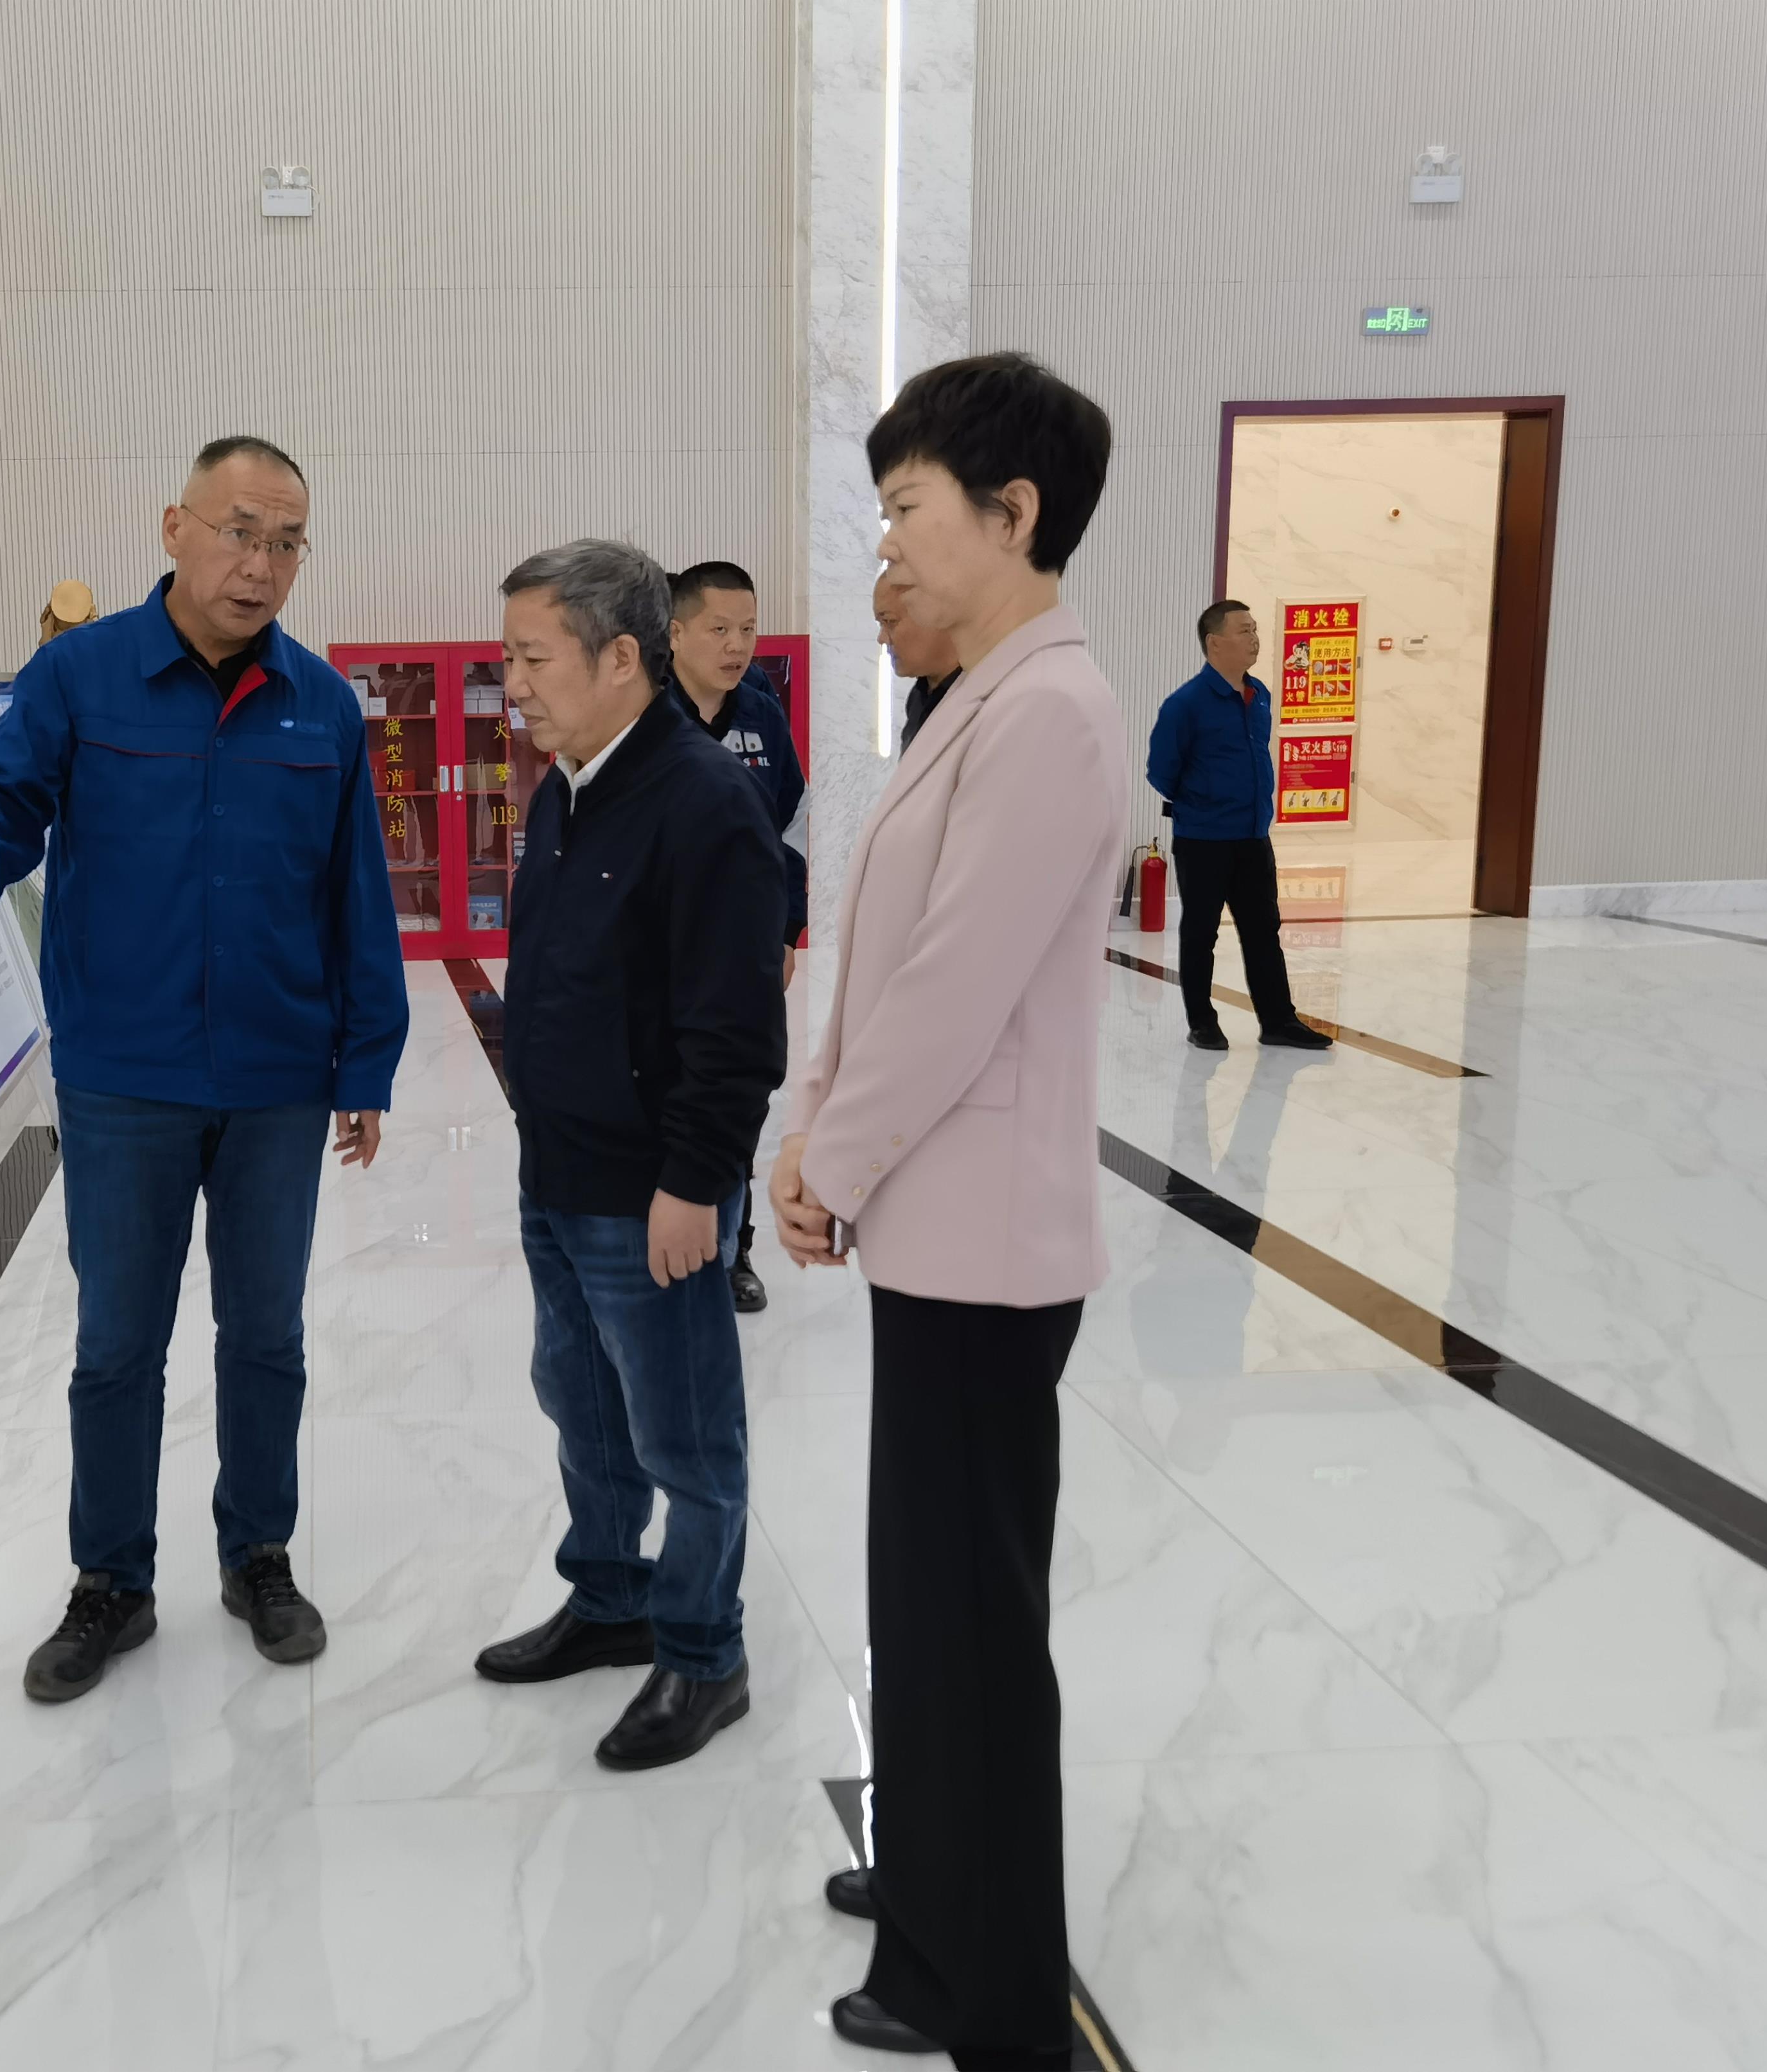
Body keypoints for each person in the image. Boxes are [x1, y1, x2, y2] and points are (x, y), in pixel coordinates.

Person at [0, 435, 409, 1703]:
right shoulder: (80, 675)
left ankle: (258, 1554)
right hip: (125, 1073)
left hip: (278, 1075)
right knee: (117, 1341)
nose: (261, 564)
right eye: (239, 532)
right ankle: (110, 1580)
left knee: (266, 1334)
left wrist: (366, 1060)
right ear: (175, 528)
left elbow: (356, 893)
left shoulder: (320, 705)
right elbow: (1, 797)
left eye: (286, 542)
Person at [769, 352, 1125, 2064]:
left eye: (907, 506)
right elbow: (890, 966)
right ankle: (931, 1883)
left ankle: (984, 1993)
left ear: (1013, 510)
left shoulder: (1049, 712)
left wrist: (825, 1164)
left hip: (982, 1246)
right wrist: (815, 1132)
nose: (888, 542)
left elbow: (951, 989)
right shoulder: (985, 698)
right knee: (925, 1602)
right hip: (943, 1228)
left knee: (970, 1626)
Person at [475, 538, 786, 1772]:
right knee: (582, 1403)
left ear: (619, 657)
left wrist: (696, 1186)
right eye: (507, 658)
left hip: (651, 1190)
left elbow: (735, 1032)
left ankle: (705, 1655)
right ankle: (610, 1598)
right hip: (557, 1172)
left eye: (532, 657)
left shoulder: (704, 803)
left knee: (685, 1434)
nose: (514, 684)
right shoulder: (568, 785)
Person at [663, 558, 806, 1316]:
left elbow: (794, 825)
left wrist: (787, 929)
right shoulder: (642, 714)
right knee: (668, 1097)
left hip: (746, 953)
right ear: (674, 632)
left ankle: (733, 1251)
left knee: (737, 1102)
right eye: (718, 629)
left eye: (747, 629)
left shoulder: (762, 715)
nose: (736, 645)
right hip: (663, 954)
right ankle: (669, 1244)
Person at [1143, 603, 1334, 1051]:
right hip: (1203, 839)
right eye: (1244, 631)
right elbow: (1161, 772)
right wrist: (1204, 800)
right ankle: (1202, 1023)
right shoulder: (1186, 704)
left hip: (1253, 836)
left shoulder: (1259, 694)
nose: (1254, 639)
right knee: (1200, 933)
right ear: (1215, 643)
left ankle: (1279, 1021)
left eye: (1254, 629)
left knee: (1263, 930)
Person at [874, 566, 961, 754]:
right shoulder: (919, 695)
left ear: (935, 616)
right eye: (880, 624)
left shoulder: (984, 699)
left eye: (890, 621)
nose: (882, 639)